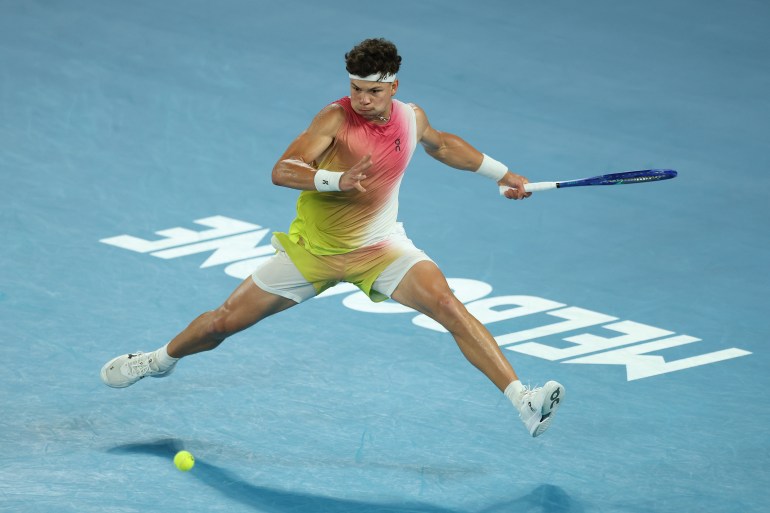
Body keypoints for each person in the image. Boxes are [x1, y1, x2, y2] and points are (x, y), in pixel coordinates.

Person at [100, 38, 564, 437]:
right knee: (222, 323)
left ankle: (521, 399)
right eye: (356, 88)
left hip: (381, 249)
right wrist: (334, 180)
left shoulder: (411, 117)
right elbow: (283, 170)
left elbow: (443, 145)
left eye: (373, 90)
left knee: (448, 306)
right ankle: (158, 360)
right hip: (314, 253)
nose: (362, 99)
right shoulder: (334, 119)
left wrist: (501, 175)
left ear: (395, 87)